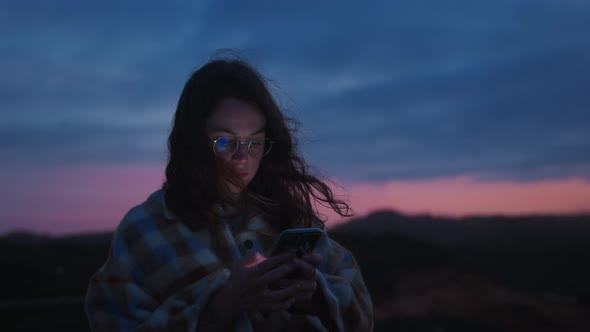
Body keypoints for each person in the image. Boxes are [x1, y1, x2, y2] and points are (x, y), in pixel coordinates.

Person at [85, 56, 374, 331]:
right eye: (224, 141)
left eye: (255, 142)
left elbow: (362, 318)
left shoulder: (291, 219)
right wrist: (221, 307)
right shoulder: (144, 232)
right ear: (191, 141)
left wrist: (315, 296)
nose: (242, 157)